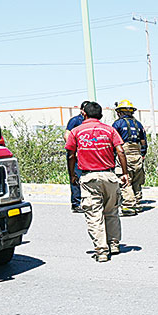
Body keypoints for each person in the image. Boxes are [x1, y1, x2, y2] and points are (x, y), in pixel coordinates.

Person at [65, 101, 129, 262]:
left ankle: (101, 251)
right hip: (109, 176)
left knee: (94, 214)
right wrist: (125, 173)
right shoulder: (110, 130)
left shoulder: (76, 132)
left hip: (89, 178)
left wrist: (72, 174)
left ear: (84, 114)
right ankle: (114, 244)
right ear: (100, 115)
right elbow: (120, 151)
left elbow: (71, 155)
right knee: (112, 211)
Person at [111, 100, 147, 216]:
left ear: (119, 112)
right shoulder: (138, 124)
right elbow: (143, 142)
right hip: (137, 154)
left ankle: (128, 206)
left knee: (124, 179)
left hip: (124, 154)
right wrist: (142, 154)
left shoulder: (118, 124)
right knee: (137, 180)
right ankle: (136, 203)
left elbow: (113, 141)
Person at [64, 101, 88, 213]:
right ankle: (76, 203)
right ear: (82, 110)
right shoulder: (76, 120)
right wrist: (75, 148)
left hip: (87, 154)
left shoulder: (89, 121)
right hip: (77, 154)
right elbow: (67, 135)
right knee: (75, 178)